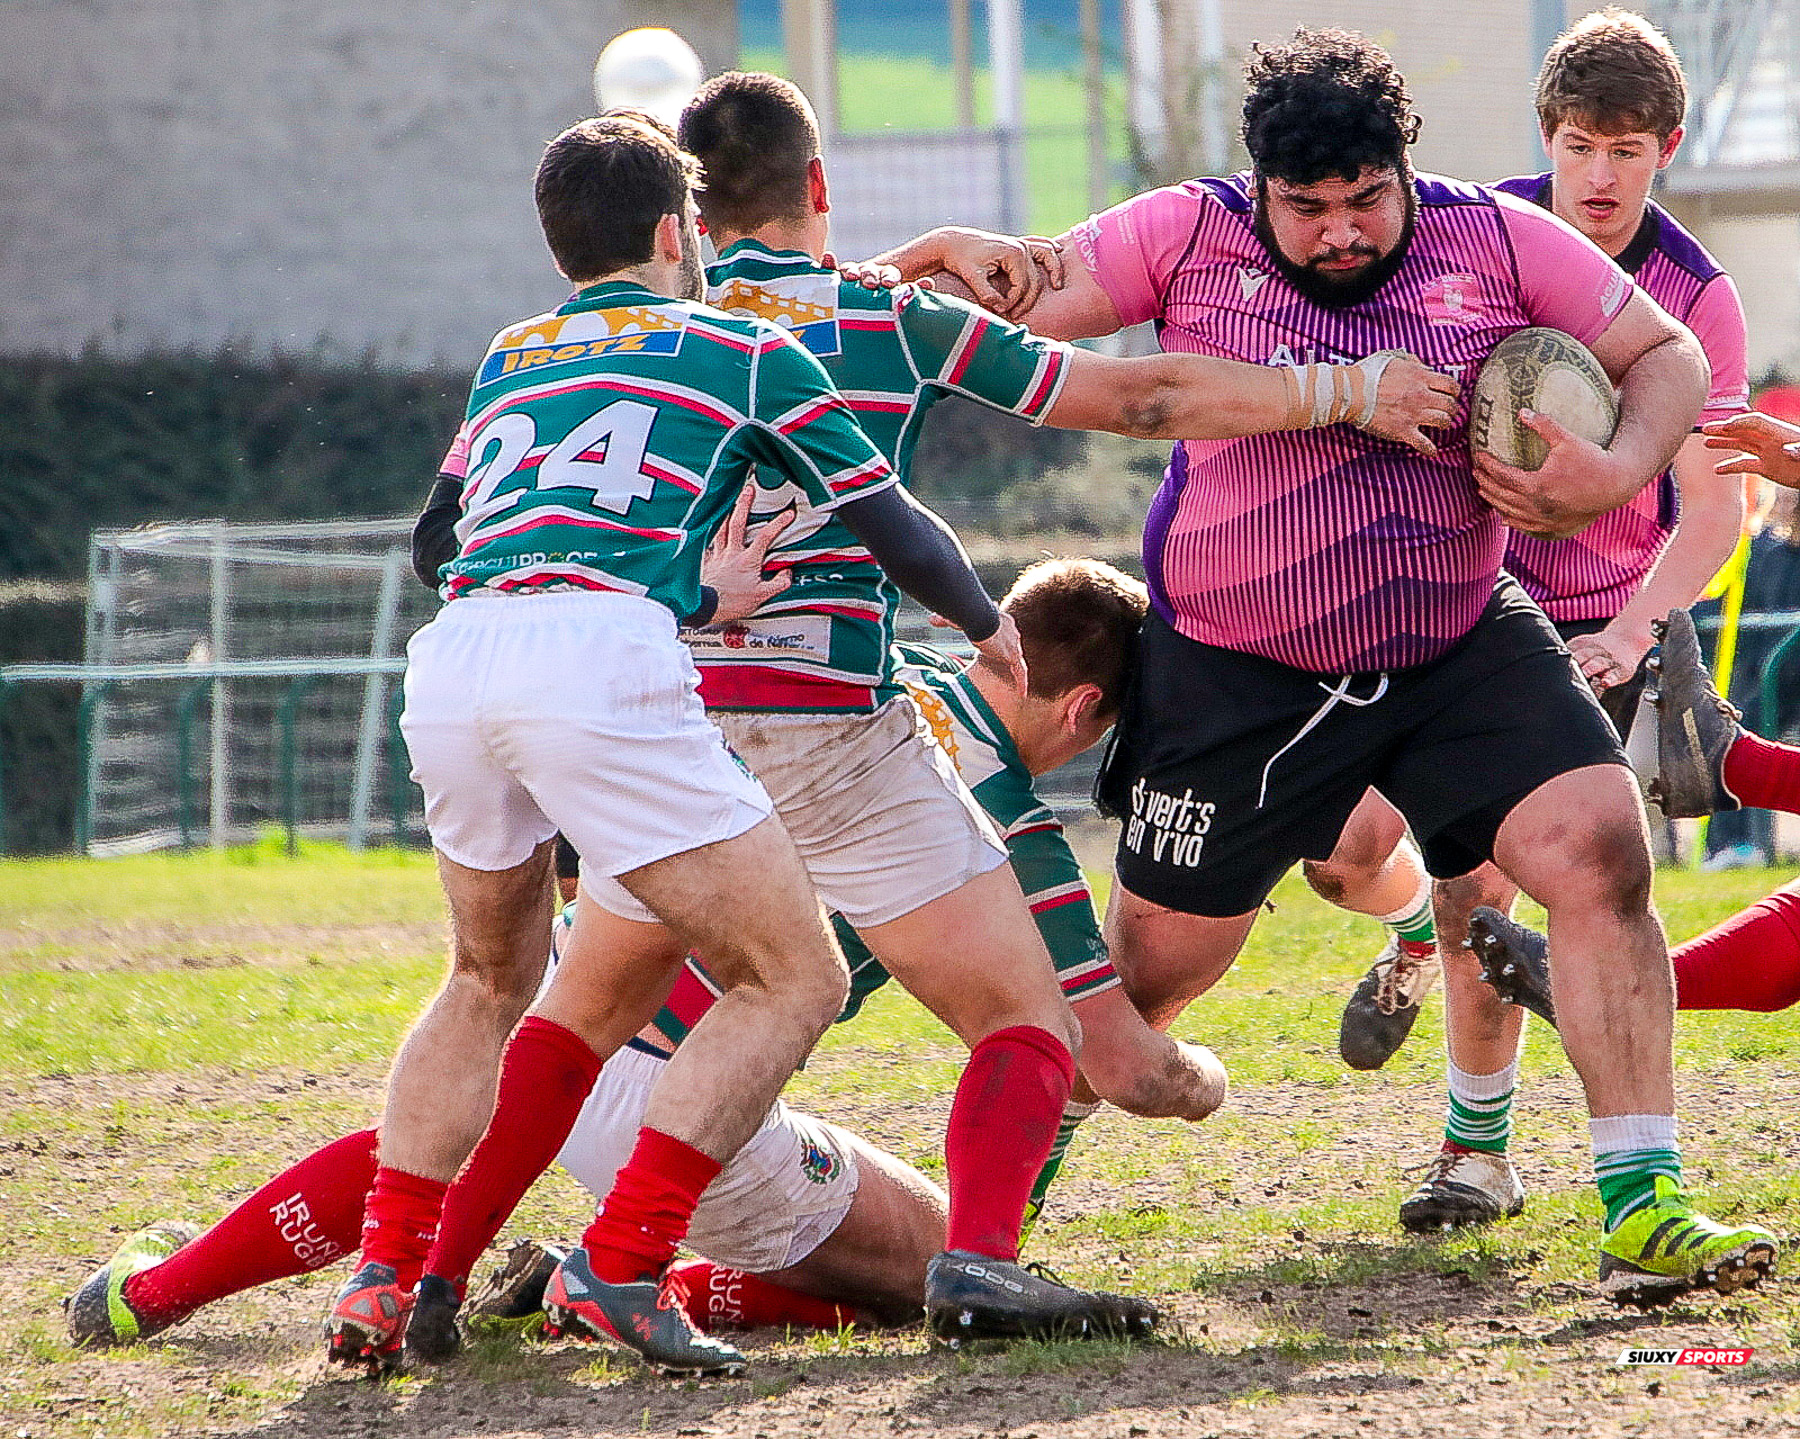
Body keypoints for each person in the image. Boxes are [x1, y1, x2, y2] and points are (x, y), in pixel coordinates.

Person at [397, 74, 1460, 1364]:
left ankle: (429, 1270)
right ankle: (971, 1266)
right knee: (1025, 1020)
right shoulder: (884, 318)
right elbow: (1141, 400)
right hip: (837, 733)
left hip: (666, 729)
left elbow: (468, 528)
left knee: (568, 1016)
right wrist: (1336, 393)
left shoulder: (636, 328)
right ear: (821, 186)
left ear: (684, 211)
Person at [886, 26, 1779, 1308]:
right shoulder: (1183, 232)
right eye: (1307, 210)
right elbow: (997, 323)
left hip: (1457, 642)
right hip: (1239, 677)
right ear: (1260, 188)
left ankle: (1643, 1199)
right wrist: (912, 270)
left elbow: (1667, 356)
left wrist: (1619, 468)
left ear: (1403, 170)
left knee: (1601, 848)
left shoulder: (1497, 237)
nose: (1341, 232)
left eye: (1367, 199)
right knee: (1141, 988)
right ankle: (991, 1222)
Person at [67, 560, 1208, 1348]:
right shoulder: (998, 820)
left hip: (566, 1031)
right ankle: (604, 1276)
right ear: (1085, 709)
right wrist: (1210, 1075)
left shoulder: (844, 676)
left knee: (426, 1148)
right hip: (687, 1098)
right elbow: (1119, 1065)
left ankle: (149, 1293)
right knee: (929, 1265)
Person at [332, 113, 1039, 1378]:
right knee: (797, 979)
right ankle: (623, 1261)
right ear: (677, 231)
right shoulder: (741, 346)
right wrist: (991, 624)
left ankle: (385, 1279)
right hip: (598, 666)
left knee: (487, 982)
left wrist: (666, 596)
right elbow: (894, 523)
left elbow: (438, 542)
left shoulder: (514, 352)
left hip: (456, 659)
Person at [1304, 6, 1754, 1234]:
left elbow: (1715, 512)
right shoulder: (1466, 233)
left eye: (1627, 151)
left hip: (1590, 626)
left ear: (1666, 146)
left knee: (1495, 887)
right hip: (1439, 603)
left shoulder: (1696, 301)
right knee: (1342, 851)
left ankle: (1478, 1151)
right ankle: (1400, 932)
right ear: (1545, 138)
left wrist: (1632, 626)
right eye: (1576, 145)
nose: (1599, 177)